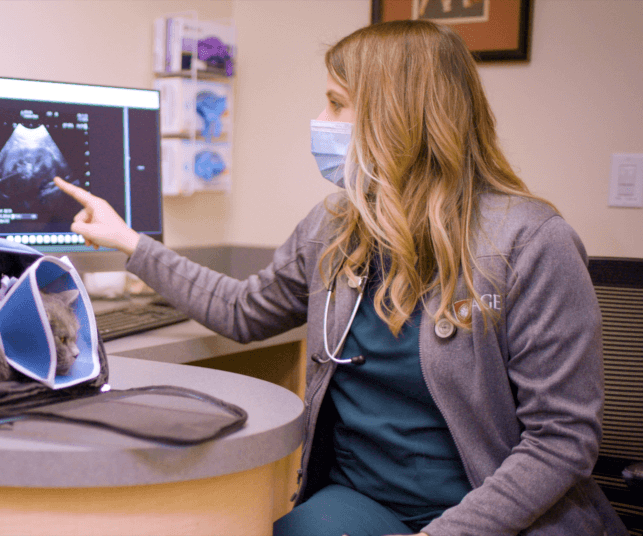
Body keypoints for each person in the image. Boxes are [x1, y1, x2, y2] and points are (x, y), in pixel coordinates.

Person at [56, 20, 627, 536]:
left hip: (496, 514)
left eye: (335, 104)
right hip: (364, 502)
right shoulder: (335, 226)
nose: (321, 122)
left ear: (396, 115)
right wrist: (131, 243)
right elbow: (243, 312)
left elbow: (561, 441)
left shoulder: (529, 243)